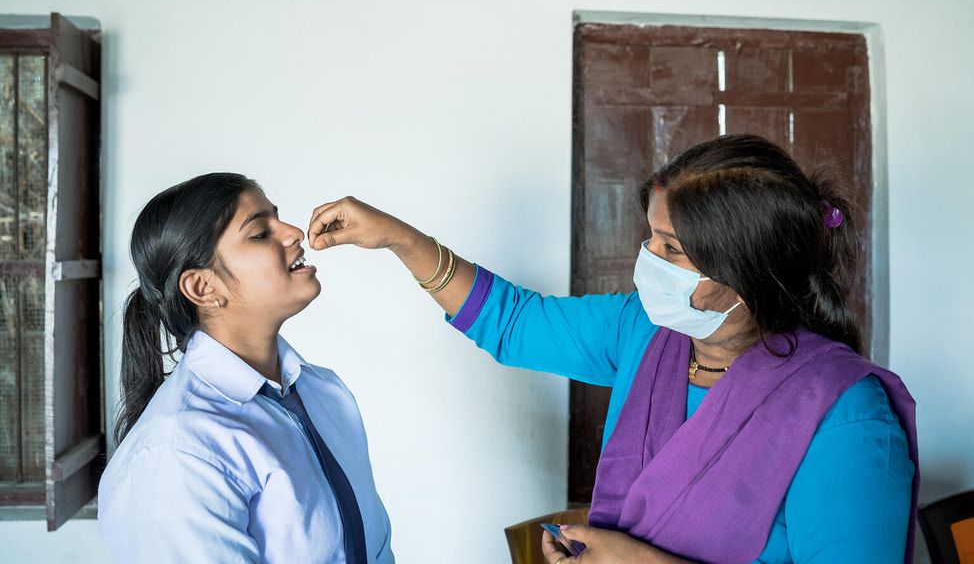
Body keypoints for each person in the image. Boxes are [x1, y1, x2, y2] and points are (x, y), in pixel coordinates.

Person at [305, 135, 918, 563]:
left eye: (670, 249)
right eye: (649, 239)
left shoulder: (848, 417)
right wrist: (395, 238)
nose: (647, 262)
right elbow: (514, 323)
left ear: (744, 271)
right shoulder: (646, 331)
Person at [98, 173, 393, 563]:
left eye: (279, 218)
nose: (293, 233)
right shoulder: (177, 453)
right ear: (203, 287)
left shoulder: (326, 392)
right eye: (259, 233)